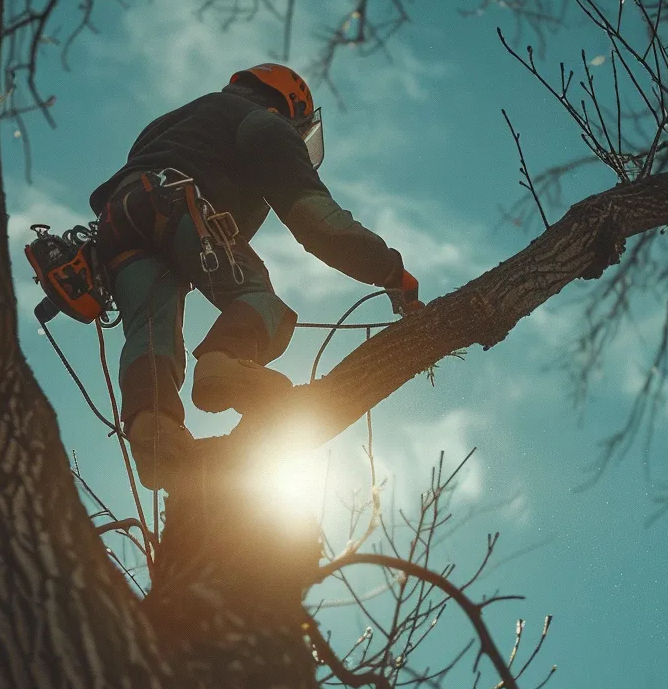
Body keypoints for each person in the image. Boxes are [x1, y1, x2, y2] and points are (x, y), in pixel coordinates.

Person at [88, 63, 422, 491]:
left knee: (150, 332)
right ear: (287, 105)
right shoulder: (263, 123)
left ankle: (155, 436)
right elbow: (317, 221)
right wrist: (392, 271)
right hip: (176, 205)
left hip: (116, 221)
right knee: (263, 304)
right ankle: (221, 364)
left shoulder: (181, 121)